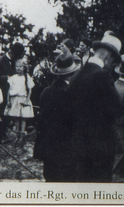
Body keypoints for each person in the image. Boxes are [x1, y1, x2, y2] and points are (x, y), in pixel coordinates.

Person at [67, 31, 124, 182]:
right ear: (108, 57)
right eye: (113, 63)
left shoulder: (75, 76)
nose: (112, 67)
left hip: (79, 146)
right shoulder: (102, 77)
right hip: (100, 148)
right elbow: (118, 108)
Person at [33, 52, 80, 182]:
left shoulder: (46, 92)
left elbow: (42, 122)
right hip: (66, 151)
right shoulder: (72, 93)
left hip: (48, 149)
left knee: (51, 182)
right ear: (72, 73)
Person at [3, 59, 34, 142]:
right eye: (17, 67)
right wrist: (8, 100)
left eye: (20, 67)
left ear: (24, 67)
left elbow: (30, 90)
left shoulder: (27, 77)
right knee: (16, 118)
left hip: (23, 98)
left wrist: (27, 100)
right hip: (15, 99)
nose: (18, 68)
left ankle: (22, 136)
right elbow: (9, 90)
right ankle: (16, 136)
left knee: (23, 118)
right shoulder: (13, 78)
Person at [0, 42, 25, 118]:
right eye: (16, 56)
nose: (17, 58)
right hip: (3, 94)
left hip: (14, 95)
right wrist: (9, 78)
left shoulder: (16, 61)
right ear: (11, 52)